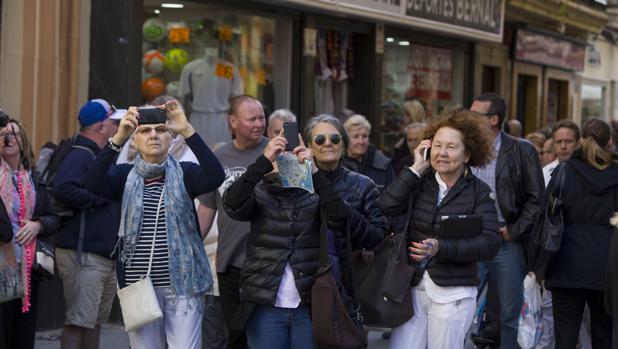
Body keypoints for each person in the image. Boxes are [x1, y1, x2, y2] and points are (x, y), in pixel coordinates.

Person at [84, 101, 225, 348]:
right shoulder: (123, 175)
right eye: (145, 131)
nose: (153, 135)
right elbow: (92, 184)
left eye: (161, 130)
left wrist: (186, 128)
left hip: (183, 285)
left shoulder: (186, 173)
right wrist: (118, 137)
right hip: (139, 286)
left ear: (171, 138)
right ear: (135, 140)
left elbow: (215, 176)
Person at [378, 108, 501, 349]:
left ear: (467, 155)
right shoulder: (418, 181)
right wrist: (415, 168)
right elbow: (386, 206)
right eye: (437, 145)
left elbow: (490, 243)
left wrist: (440, 247)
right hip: (412, 288)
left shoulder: (479, 192)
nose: (442, 153)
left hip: (453, 294)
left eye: (451, 147)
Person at [221, 133, 349, 348]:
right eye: (281, 153)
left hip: (309, 304)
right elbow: (232, 203)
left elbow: (340, 219)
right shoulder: (259, 191)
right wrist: (263, 161)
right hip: (265, 305)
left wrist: (314, 171)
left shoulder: (316, 192)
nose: (287, 157)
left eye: (293, 150)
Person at [470, 93, 544, 349]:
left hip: (506, 243)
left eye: (475, 115)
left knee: (510, 314)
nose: (469, 119)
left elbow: (537, 198)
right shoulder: (465, 148)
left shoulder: (521, 150)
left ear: (493, 119)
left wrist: (514, 231)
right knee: (460, 308)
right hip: (471, 240)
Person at [537, 118, 616, 348]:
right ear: (609, 142)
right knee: (604, 335)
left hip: (565, 262)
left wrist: (538, 264)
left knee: (565, 336)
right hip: (607, 265)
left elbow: (546, 215)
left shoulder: (564, 172)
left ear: (581, 141)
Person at [198, 95, 269, 349]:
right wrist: (191, 247)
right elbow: (207, 208)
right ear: (233, 121)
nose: (259, 123)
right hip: (230, 263)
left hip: (267, 263)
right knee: (235, 336)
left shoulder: (276, 151)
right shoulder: (219, 157)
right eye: (252, 119)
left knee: (261, 336)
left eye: (262, 117)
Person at [52, 99, 121, 349]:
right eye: (114, 122)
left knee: (93, 322)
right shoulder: (80, 153)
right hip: (83, 254)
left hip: (100, 254)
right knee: (79, 322)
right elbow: (63, 189)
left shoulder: (98, 154)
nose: (118, 127)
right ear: (100, 128)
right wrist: (98, 199)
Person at [0, 118, 59, 349]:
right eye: (3, 133)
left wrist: (38, 225)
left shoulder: (34, 178)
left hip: (28, 266)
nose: (8, 138)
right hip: (2, 264)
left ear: (23, 141)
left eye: (14, 134)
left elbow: (55, 218)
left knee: (23, 335)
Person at [304, 114, 387, 266]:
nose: (328, 143)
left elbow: (379, 238)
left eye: (335, 139)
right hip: (305, 275)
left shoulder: (364, 185)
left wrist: (345, 213)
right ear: (309, 146)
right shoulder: (298, 183)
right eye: (320, 139)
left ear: (343, 145)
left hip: (350, 276)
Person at [342, 114, 395, 192]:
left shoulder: (382, 164)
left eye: (364, 136)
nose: (361, 141)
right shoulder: (338, 164)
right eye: (356, 136)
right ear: (346, 139)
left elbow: (393, 195)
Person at [543, 119, 580, 186]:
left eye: (569, 141)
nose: (563, 147)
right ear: (553, 144)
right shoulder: (545, 173)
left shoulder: (588, 172)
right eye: (559, 142)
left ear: (578, 143)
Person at [393, 100, 426, 164]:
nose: (403, 118)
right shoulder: (404, 133)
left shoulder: (424, 135)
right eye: (403, 114)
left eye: (406, 115)